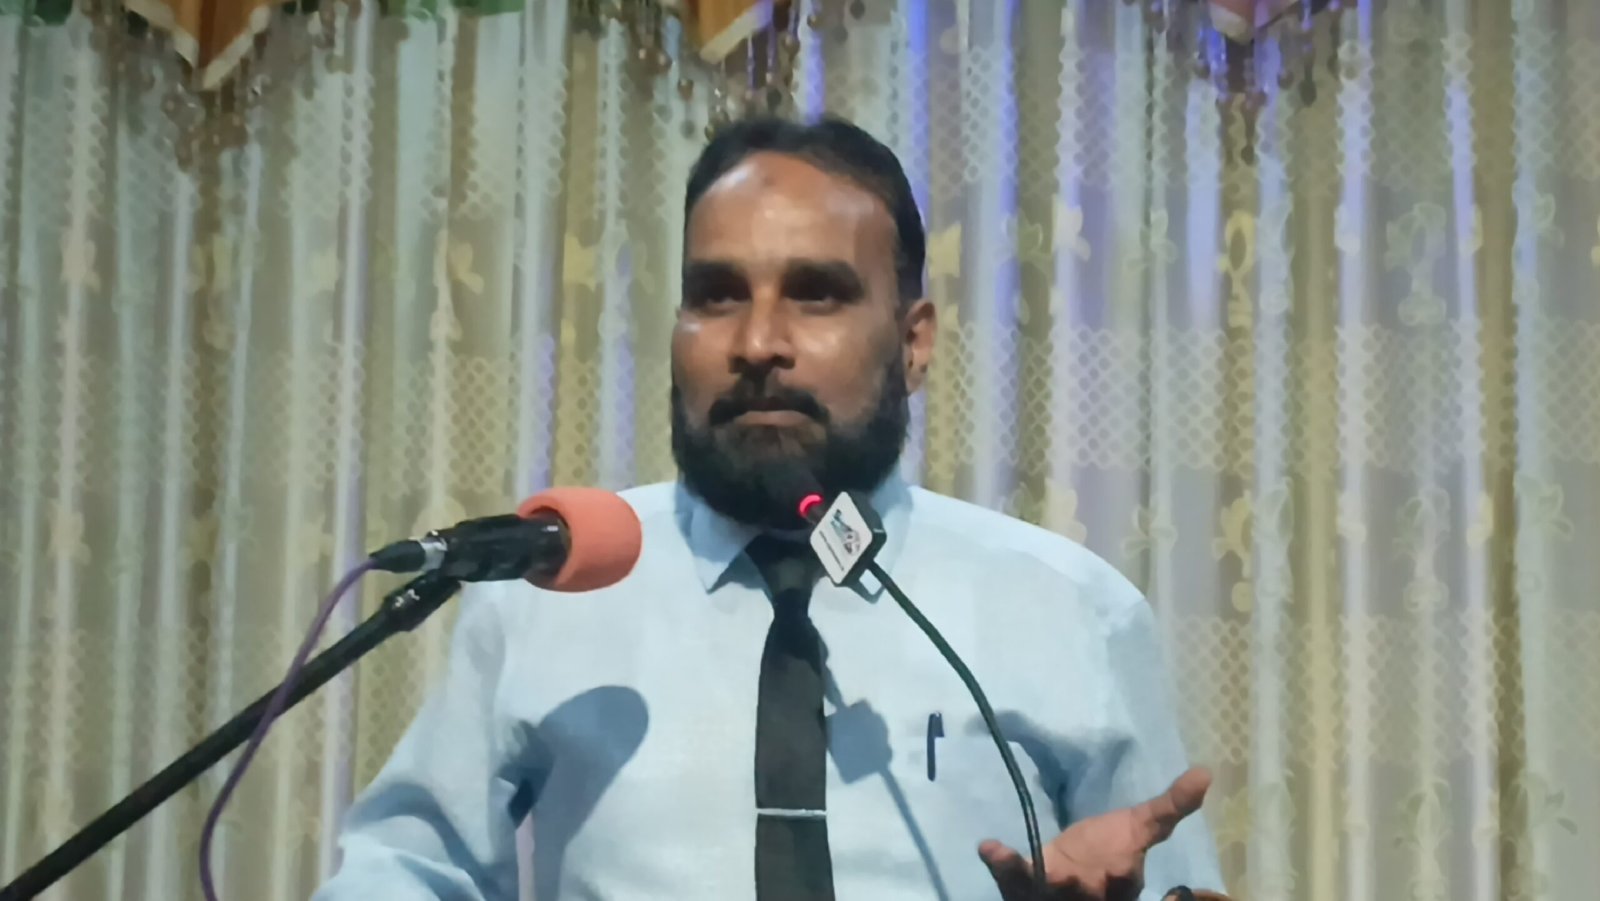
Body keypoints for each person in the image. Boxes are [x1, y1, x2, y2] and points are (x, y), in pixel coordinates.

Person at [313, 115, 1228, 901]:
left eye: (816, 294)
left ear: (913, 342)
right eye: (716, 296)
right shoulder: (547, 590)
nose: (756, 343)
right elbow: (404, 868)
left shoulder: (1070, 608)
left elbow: (1167, 877)